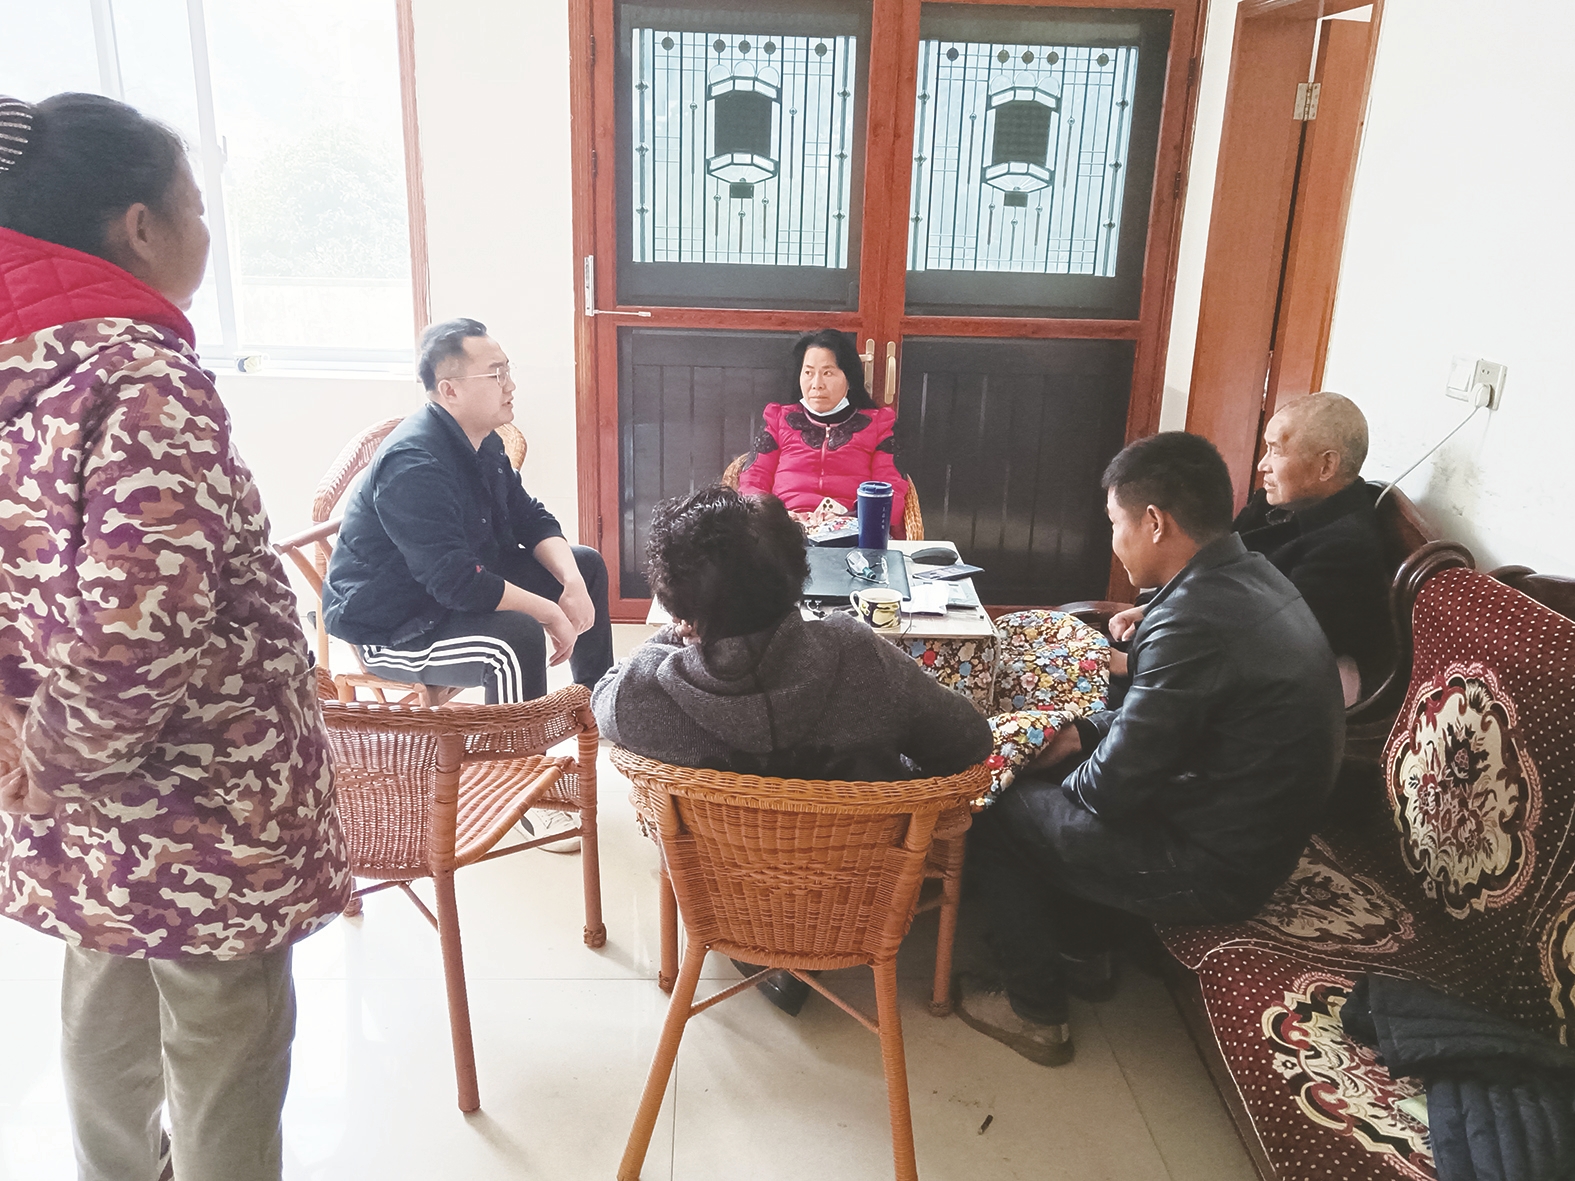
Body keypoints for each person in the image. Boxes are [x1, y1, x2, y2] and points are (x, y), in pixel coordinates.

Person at [0, 93, 349, 1180]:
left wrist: (26, 749)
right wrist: (55, 760)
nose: (206, 228)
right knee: (222, 1048)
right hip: (201, 812)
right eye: (195, 206)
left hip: (69, 802)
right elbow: (134, 633)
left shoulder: (21, 368)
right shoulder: (141, 378)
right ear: (139, 227)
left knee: (104, 1012)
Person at [958, 432, 1343, 1067]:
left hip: (1215, 867)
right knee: (1060, 753)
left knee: (1003, 801)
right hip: (1249, 830)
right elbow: (1177, 715)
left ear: (1155, 522)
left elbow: (1108, 791)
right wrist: (1081, 731)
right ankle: (1083, 953)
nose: (1114, 538)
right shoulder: (1249, 574)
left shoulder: (1192, 620)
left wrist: (1043, 765)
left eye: (1116, 522)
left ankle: (1034, 1011)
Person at [592, 485, 991, 1011]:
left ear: (679, 605)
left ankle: (766, 954)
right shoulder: (862, 658)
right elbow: (969, 741)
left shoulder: (648, 694)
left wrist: (676, 636)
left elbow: (605, 695)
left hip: (723, 900)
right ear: (800, 574)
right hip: (859, 901)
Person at [1107, 392, 1388, 703]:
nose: (1262, 465)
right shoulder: (1274, 503)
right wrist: (1149, 609)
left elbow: (1268, 642)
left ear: (1327, 465)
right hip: (1200, 647)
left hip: (1253, 685)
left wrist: (1132, 663)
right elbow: (1213, 569)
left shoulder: (1346, 547)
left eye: (1276, 451)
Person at [737, 328, 908, 537]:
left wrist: (848, 517)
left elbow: (890, 494)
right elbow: (752, 482)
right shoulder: (778, 420)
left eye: (827, 373)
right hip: (783, 532)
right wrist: (779, 517)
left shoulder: (879, 425)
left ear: (850, 378)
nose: (816, 384)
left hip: (852, 533)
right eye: (808, 373)